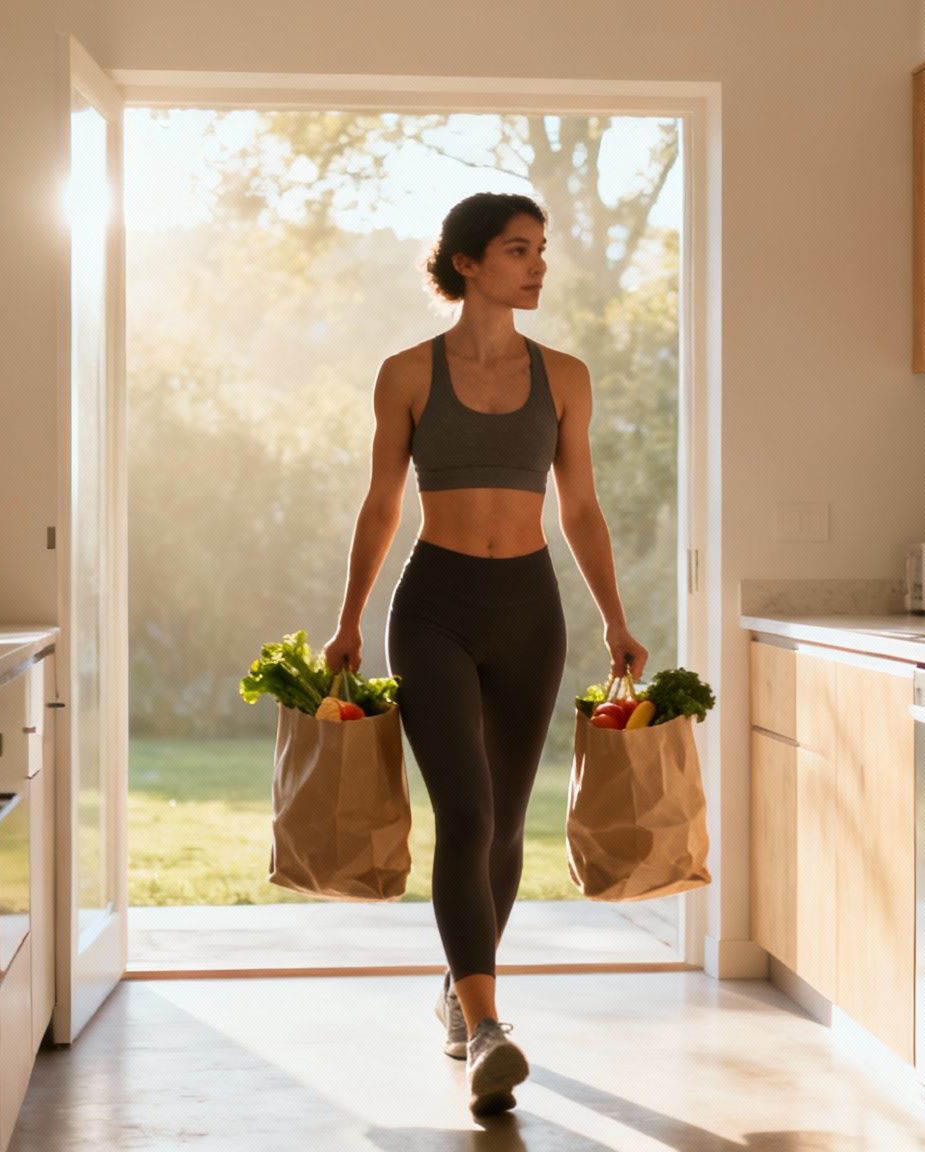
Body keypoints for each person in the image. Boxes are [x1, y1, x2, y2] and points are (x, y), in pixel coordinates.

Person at [321, 192, 646, 1116]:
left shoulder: (567, 376)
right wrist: (348, 621)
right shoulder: (406, 373)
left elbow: (580, 508)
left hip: (530, 609)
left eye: (541, 250)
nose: (537, 266)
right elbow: (381, 504)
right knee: (464, 814)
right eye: (517, 250)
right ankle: (490, 1029)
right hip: (435, 607)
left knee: (504, 823)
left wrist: (616, 618)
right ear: (466, 263)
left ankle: (462, 996)